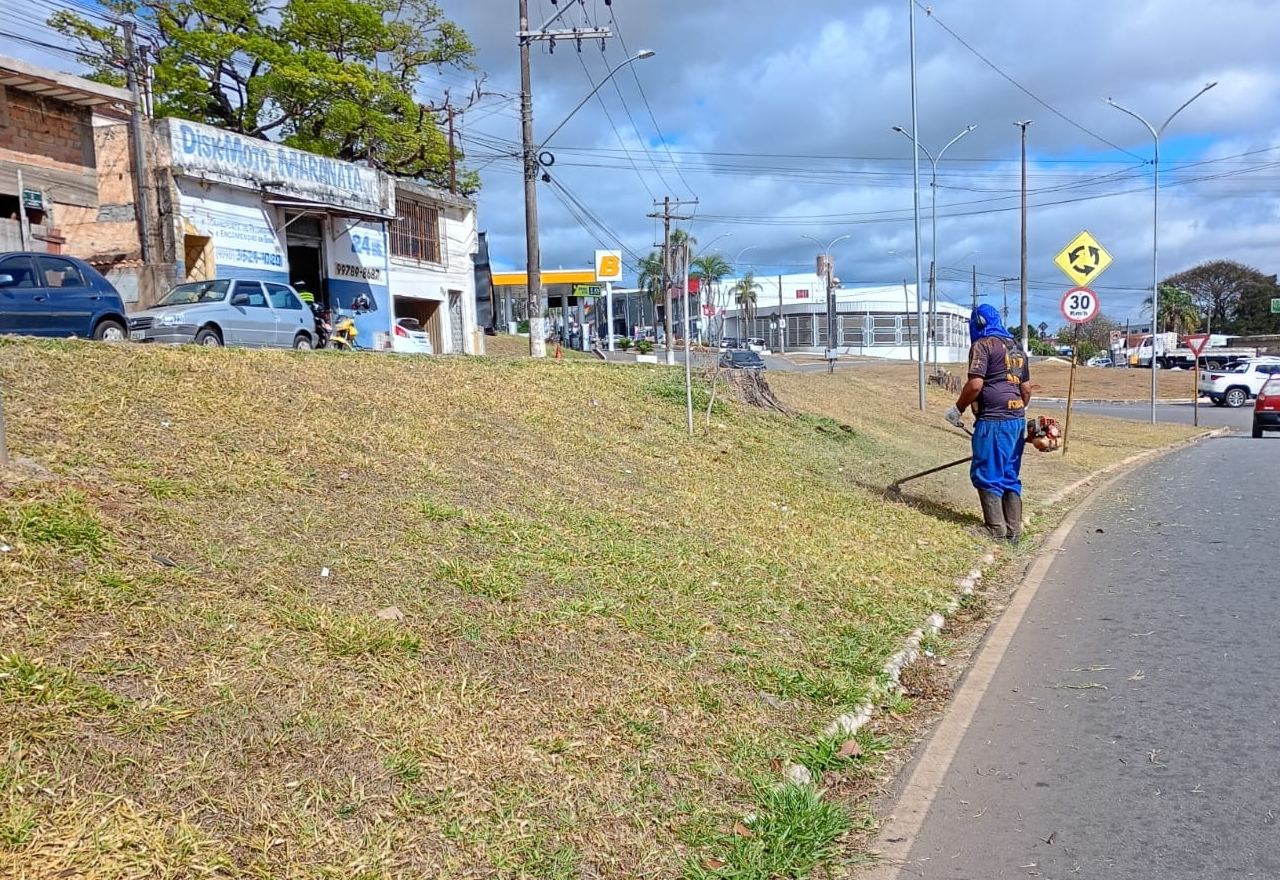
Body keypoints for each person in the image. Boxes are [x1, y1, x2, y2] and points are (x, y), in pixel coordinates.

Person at [945, 304, 1031, 542]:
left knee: (987, 472)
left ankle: (995, 529)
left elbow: (975, 385)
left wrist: (957, 409)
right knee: (1009, 474)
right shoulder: (1016, 346)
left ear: (978, 323)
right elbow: (1025, 389)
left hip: (993, 421)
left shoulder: (983, 345)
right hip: (1016, 420)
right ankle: (1013, 530)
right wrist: (1017, 410)